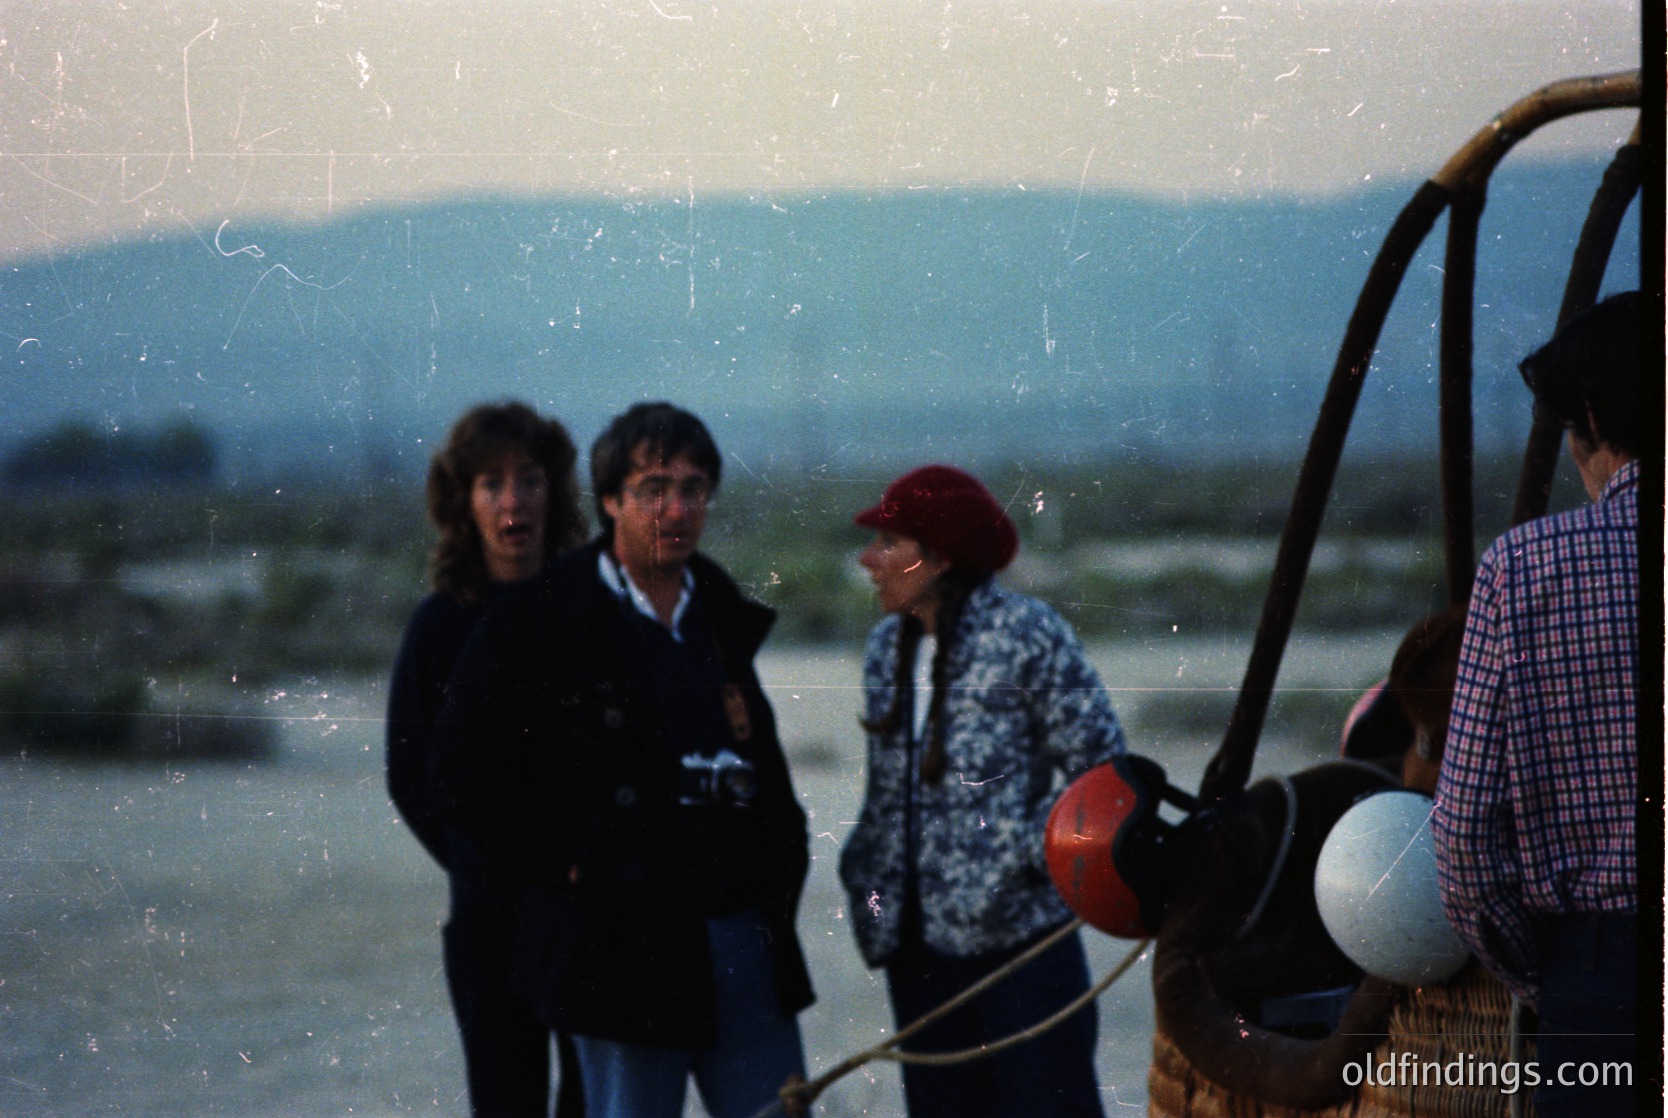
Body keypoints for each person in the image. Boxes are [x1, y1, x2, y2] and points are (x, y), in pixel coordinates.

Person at [433, 402, 813, 1118]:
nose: (675, 509)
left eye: (693, 489)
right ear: (609, 500)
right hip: (619, 946)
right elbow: (458, 769)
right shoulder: (538, 618)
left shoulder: (719, 612)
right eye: (652, 489)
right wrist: (562, 860)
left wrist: (775, 880)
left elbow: (765, 777)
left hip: (741, 941)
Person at [838, 464, 1127, 1118]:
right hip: (917, 954)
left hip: (1019, 951)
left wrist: (1014, 858)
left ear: (938, 558)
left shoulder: (1028, 635)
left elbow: (1104, 776)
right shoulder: (888, 647)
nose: (869, 559)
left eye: (889, 544)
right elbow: (886, 797)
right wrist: (865, 875)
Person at [1432, 292, 1641, 1117]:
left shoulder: (1526, 569)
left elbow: (1463, 840)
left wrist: (1550, 970)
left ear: (1589, 416)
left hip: (1601, 980)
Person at [386, 401, 590, 1118]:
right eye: (491, 483)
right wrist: (482, 862)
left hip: (587, 909)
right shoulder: (440, 623)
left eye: (529, 479)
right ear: (463, 502)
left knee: (598, 1101)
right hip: (489, 917)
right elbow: (410, 777)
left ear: (555, 492)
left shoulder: (589, 609)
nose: (514, 500)